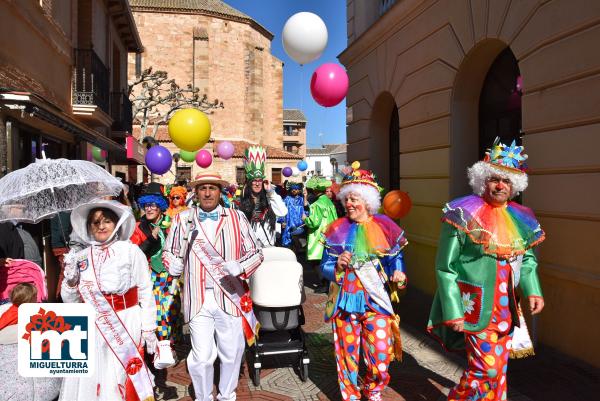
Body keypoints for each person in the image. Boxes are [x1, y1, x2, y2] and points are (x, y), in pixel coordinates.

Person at [427, 138, 545, 401]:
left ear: (514, 185)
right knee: (488, 370)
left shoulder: (521, 217)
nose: (500, 185)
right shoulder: (461, 213)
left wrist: (533, 290)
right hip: (474, 307)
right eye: (494, 179)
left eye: (506, 180)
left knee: (499, 372)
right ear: (483, 180)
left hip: (507, 309)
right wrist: (453, 310)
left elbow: (527, 261)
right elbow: (445, 267)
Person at [162, 172, 264, 401]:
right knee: (201, 357)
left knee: (231, 352)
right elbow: (168, 253)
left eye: (212, 188)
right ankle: (203, 397)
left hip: (230, 295)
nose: (207, 193)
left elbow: (257, 253)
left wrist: (240, 266)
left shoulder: (237, 217)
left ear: (220, 191)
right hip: (197, 297)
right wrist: (173, 264)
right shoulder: (182, 219)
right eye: (202, 188)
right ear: (195, 193)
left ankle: (227, 395)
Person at [320, 162, 407, 401]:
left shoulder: (385, 226)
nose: (349, 204)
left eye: (354, 199)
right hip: (344, 303)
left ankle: (373, 388)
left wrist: (399, 274)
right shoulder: (336, 229)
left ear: (368, 201)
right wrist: (336, 266)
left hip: (375, 303)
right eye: (346, 199)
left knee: (380, 356)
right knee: (347, 355)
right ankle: (350, 396)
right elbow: (324, 267)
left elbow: (395, 259)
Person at [60, 200, 157, 401]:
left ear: (116, 224)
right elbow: (70, 300)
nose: (101, 226)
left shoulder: (131, 251)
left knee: (121, 376)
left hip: (126, 321)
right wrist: (70, 280)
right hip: (94, 326)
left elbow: (146, 290)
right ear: (88, 228)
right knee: (96, 378)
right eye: (95, 223)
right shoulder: (81, 257)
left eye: (106, 221)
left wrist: (148, 328)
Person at [131, 183, 181, 347]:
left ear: (160, 205)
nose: (149, 209)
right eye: (146, 205)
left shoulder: (173, 224)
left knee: (172, 311)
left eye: (153, 205)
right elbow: (135, 254)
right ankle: (163, 346)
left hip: (170, 275)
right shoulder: (139, 227)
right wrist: (151, 239)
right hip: (151, 275)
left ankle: (171, 340)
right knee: (159, 312)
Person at [0, 283, 61, 401]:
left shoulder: (11, 311)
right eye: (35, 297)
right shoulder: (26, 314)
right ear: (29, 300)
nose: (37, 299)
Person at [237, 146, 287, 247]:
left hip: (269, 249)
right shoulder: (240, 202)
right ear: (249, 183)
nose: (257, 184)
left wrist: (270, 192)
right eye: (254, 181)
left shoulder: (270, 199)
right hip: (249, 250)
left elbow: (283, 212)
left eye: (260, 180)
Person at [304, 176, 338, 293]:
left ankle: (324, 284)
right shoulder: (329, 202)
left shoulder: (317, 204)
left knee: (316, 260)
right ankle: (328, 283)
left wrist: (305, 219)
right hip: (331, 234)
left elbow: (314, 222)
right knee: (328, 259)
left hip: (319, 236)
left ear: (314, 190)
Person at [281, 181, 308, 251]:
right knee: (289, 245)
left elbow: (307, 210)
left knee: (300, 245)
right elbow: (281, 211)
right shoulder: (287, 199)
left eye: (296, 189)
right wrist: (282, 221)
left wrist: (305, 220)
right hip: (289, 224)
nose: (294, 190)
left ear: (299, 190)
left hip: (300, 226)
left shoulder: (302, 200)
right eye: (292, 189)